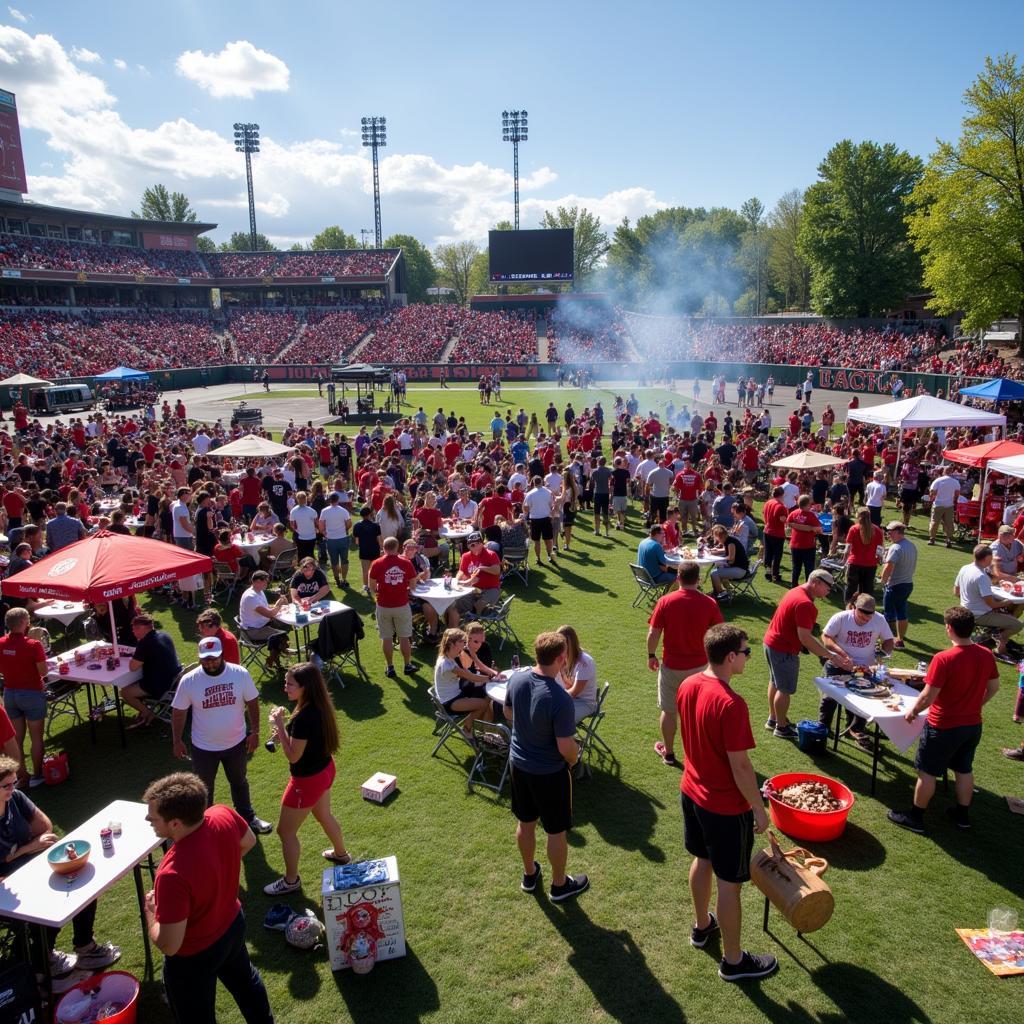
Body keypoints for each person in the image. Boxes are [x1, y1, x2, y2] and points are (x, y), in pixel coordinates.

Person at [676, 624, 777, 982]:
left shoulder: (688, 684)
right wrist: (759, 810)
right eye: (746, 652)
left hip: (691, 793)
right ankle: (733, 961)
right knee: (729, 885)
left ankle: (702, 926)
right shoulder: (732, 704)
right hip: (723, 808)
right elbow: (741, 766)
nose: (749, 657)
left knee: (701, 860)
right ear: (730, 657)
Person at [143, 771, 274, 1023]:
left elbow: (170, 944)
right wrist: (216, 868)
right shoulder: (222, 813)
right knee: (247, 983)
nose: (148, 819)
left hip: (194, 957)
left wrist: (151, 911)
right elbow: (248, 840)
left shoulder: (171, 874)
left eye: (154, 817)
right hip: (232, 926)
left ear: (175, 824)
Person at [0, 756, 122, 991]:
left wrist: (15, 853)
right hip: (7, 887)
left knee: (80, 876)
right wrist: (25, 848)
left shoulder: (15, 798)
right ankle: (41, 966)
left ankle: (84, 947)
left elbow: (44, 828)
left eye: (14, 783)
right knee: (44, 903)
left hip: (28, 868)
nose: (13, 789)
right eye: (6, 785)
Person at [888, 607, 999, 834]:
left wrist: (912, 712)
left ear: (949, 628)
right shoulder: (986, 654)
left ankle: (916, 818)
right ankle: (962, 814)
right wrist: (976, 705)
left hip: (944, 725)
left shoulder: (943, 658)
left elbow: (929, 695)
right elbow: (994, 687)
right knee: (964, 769)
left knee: (927, 772)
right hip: (972, 725)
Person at [503, 631, 588, 902]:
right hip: (549, 774)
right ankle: (560, 885)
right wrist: (575, 759)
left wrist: (528, 730)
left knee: (525, 823)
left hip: (518, 765)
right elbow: (566, 748)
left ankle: (529, 875)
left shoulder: (516, 679)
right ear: (562, 658)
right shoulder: (560, 698)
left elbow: (508, 713)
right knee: (555, 830)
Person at [263, 662, 350, 895]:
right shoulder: (317, 705)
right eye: (285, 683)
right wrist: (285, 731)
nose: (286, 688)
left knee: (285, 832)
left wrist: (281, 726)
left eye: (290, 684)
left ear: (305, 687)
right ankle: (341, 854)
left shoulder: (304, 717)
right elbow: (302, 739)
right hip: (325, 771)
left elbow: (293, 757)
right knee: (323, 815)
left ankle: (291, 881)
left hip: (307, 781)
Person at [171, 637, 273, 835]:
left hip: (235, 743)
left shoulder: (239, 674)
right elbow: (178, 712)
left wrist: (255, 732)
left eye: (214, 658)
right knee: (203, 789)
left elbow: (252, 702)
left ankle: (247, 818)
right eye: (205, 659)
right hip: (203, 747)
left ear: (222, 654)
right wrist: (176, 740)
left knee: (239, 781)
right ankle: (205, 826)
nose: (210, 663)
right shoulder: (189, 680)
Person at [647, 561, 723, 766]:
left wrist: (651, 655)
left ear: (678, 578)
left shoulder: (665, 601)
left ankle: (669, 753)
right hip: (700, 668)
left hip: (672, 666)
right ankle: (699, 754)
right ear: (699, 580)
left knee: (669, 711)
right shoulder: (709, 603)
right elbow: (720, 635)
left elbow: (654, 633)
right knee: (699, 711)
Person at [763, 570, 852, 739]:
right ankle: (781, 727)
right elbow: (805, 638)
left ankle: (774, 719)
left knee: (775, 682)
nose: (829, 590)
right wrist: (831, 656)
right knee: (784, 688)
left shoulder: (795, 591)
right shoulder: (805, 604)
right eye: (828, 586)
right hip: (783, 649)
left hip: (771, 643)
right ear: (816, 582)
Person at [818, 594, 894, 746]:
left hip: (863, 668)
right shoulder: (841, 617)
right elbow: (826, 637)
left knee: (864, 697)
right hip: (838, 664)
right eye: (861, 617)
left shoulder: (879, 619)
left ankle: (857, 729)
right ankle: (823, 728)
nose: (865, 621)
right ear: (854, 608)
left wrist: (880, 655)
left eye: (868, 618)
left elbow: (889, 641)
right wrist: (841, 654)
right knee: (830, 698)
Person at [0, 607, 47, 786]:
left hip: (10, 694)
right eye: (28, 619)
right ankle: (37, 776)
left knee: (16, 739)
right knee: (36, 737)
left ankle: (22, 776)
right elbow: (43, 671)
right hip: (32, 694)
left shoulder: (1, 643)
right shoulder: (33, 645)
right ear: (22, 622)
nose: (30, 622)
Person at [954, 544, 1023, 662]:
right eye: (991, 559)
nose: (991, 561)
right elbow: (992, 605)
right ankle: (1000, 645)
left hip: (966, 609)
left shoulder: (965, 568)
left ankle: (998, 633)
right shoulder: (981, 576)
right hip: (980, 615)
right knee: (1017, 624)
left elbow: (956, 592)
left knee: (1009, 611)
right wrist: (1008, 601)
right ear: (986, 559)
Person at [368, 536, 418, 679]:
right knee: (404, 637)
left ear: (383, 548)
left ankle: (390, 667)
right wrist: (404, 588)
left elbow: (371, 587)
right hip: (402, 605)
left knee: (387, 637)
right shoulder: (407, 563)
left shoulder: (376, 563)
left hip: (383, 605)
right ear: (398, 548)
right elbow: (413, 585)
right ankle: (407, 665)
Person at [122, 613, 182, 729]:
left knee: (125, 692)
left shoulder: (145, 643)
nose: (133, 632)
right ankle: (147, 711)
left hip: (159, 685)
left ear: (142, 628)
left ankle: (148, 713)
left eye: (134, 629)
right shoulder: (164, 635)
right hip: (174, 680)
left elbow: (132, 667)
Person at [434, 628, 495, 735]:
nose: (465, 645)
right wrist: (491, 679)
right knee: (483, 704)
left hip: (455, 696)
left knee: (485, 696)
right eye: (462, 642)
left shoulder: (448, 657)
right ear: (453, 644)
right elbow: (470, 676)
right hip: (450, 702)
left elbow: (470, 670)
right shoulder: (448, 665)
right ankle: (467, 726)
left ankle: (482, 729)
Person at [238, 571, 290, 671]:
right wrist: (278, 605)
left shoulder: (258, 592)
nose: (268, 583)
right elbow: (270, 614)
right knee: (281, 636)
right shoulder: (251, 597)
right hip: (252, 631)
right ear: (257, 581)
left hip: (260, 624)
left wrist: (276, 607)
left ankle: (278, 654)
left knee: (284, 626)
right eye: (266, 581)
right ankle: (274, 659)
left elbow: (265, 609)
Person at [880, 521, 917, 649]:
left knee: (888, 614)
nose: (888, 534)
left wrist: (882, 581)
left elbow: (889, 566)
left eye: (890, 531)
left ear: (897, 532)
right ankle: (900, 639)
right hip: (907, 584)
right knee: (901, 612)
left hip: (894, 585)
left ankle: (886, 640)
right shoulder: (911, 545)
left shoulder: (895, 548)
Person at [555, 624, 598, 724]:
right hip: (573, 699)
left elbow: (574, 692)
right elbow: (568, 685)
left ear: (568, 645)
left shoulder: (584, 662)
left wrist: (555, 697)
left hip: (585, 703)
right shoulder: (565, 658)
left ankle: (564, 739)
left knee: (559, 719)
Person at [844, 506, 884, 603]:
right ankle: (866, 608)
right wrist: (878, 559)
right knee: (867, 590)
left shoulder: (854, 529)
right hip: (870, 564)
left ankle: (848, 608)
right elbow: (880, 550)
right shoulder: (878, 530)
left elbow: (848, 548)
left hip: (854, 563)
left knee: (851, 588)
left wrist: (844, 560)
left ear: (858, 516)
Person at [456, 532, 502, 613]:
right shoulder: (465, 556)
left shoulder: (491, 554)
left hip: (491, 589)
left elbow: (497, 570)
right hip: (473, 589)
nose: (476, 546)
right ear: (468, 546)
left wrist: (482, 568)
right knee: (457, 602)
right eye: (472, 545)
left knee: (479, 605)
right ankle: (466, 619)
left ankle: (474, 620)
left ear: (482, 543)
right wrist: (457, 580)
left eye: (478, 543)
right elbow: (461, 571)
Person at [786, 494, 822, 587]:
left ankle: (794, 586)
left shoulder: (794, 513)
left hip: (795, 545)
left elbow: (789, 523)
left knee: (796, 567)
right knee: (809, 568)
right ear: (807, 504)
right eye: (810, 504)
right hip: (808, 546)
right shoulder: (810, 515)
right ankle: (808, 586)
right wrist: (809, 528)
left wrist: (800, 527)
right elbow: (819, 529)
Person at [318, 491, 351, 587]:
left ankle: (337, 580)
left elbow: (320, 525)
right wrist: (344, 530)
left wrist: (324, 533)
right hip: (342, 538)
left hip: (331, 539)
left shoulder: (324, 511)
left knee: (334, 561)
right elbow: (349, 523)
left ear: (329, 500)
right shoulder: (343, 511)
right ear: (338, 500)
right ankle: (344, 579)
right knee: (344, 560)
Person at [708, 523, 748, 601]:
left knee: (714, 573)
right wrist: (712, 552)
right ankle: (717, 592)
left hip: (740, 570)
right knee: (717, 570)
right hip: (738, 568)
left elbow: (731, 558)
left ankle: (722, 594)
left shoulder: (730, 543)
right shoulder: (729, 540)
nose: (716, 539)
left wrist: (718, 559)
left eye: (716, 537)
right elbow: (724, 551)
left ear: (720, 536)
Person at [524, 475, 557, 565]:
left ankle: (538, 558)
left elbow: (526, 508)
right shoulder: (548, 492)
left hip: (534, 520)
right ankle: (549, 555)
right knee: (548, 539)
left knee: (536, 541)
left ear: (534, 483)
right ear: (542, 482)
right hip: (546, 518)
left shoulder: (530, 494)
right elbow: (552, 505)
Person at [352, 505, 383, 595]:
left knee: (365, 570)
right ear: (370, 514)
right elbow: (379, 539)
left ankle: (366, 585)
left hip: (364, 550)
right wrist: (382, 548)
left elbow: (357, 541)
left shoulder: (357, 526)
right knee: (375, 569)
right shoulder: (376, 526)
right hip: (375, 550)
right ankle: (376, 584)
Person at [761, 485, 788, 584]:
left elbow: (763, 512)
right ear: (782, 495)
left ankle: (768, 571)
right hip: (777, 533)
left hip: (767, 530)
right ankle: (775, 574)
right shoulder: (781, 507)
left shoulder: (768, 502)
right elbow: (783, 519)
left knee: (768, 552)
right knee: (777, 555)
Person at [928, 466, 960, 547]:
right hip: (949, 505)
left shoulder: (938, 480)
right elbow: (957, 494)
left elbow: (932, 492)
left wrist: (932, 499)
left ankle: (932, 538)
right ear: (952, 472)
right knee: (949, 523)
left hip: (938, 504)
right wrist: (954, 501)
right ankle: (948, 540)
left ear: (944, 471)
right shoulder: (955, 482)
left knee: (934, 522)